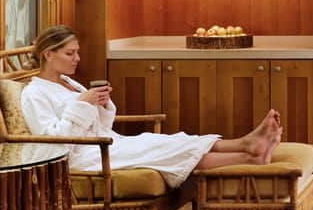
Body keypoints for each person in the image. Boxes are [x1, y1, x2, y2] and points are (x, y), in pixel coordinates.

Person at [20, 25, 281, 186]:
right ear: (48, 55)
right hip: (86, 158)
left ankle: (247, 147)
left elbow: (101, 125)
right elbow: (53, 145)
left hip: (106, 144)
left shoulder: (69, 83)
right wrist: (82, 104)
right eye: (70, 53)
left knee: (173, 142)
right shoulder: (34, 94)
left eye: (77, 52)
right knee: (166, 150)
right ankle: (248, 152)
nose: (77, 58)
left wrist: (100, 104)